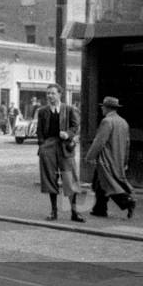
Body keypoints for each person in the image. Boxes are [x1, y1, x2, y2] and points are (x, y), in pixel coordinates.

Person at [36, 84, 83, 222]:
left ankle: (74, 212)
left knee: (70, 179)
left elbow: (75, 126)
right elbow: (39, 130)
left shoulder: (69, 109)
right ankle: (53, 211)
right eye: (48, 93)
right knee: (50, 179)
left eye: (52, 93)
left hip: (65, 147)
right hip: (48, 147)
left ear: (59, 94)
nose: (50, 96)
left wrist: (67, 134)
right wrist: (42, 145)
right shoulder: (42, 111)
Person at [85, 96, 136, 219]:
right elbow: (127, 143)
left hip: (106, 159)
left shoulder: (107, 121)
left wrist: (89, 156)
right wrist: (125, 160)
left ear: (106, 108)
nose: (102, 109)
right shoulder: (123, 122)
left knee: (109, 184)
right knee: (99, 184)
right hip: (117, 158)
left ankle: (128, 201)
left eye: (103, 106)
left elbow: (100, 141)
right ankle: (99, 209)